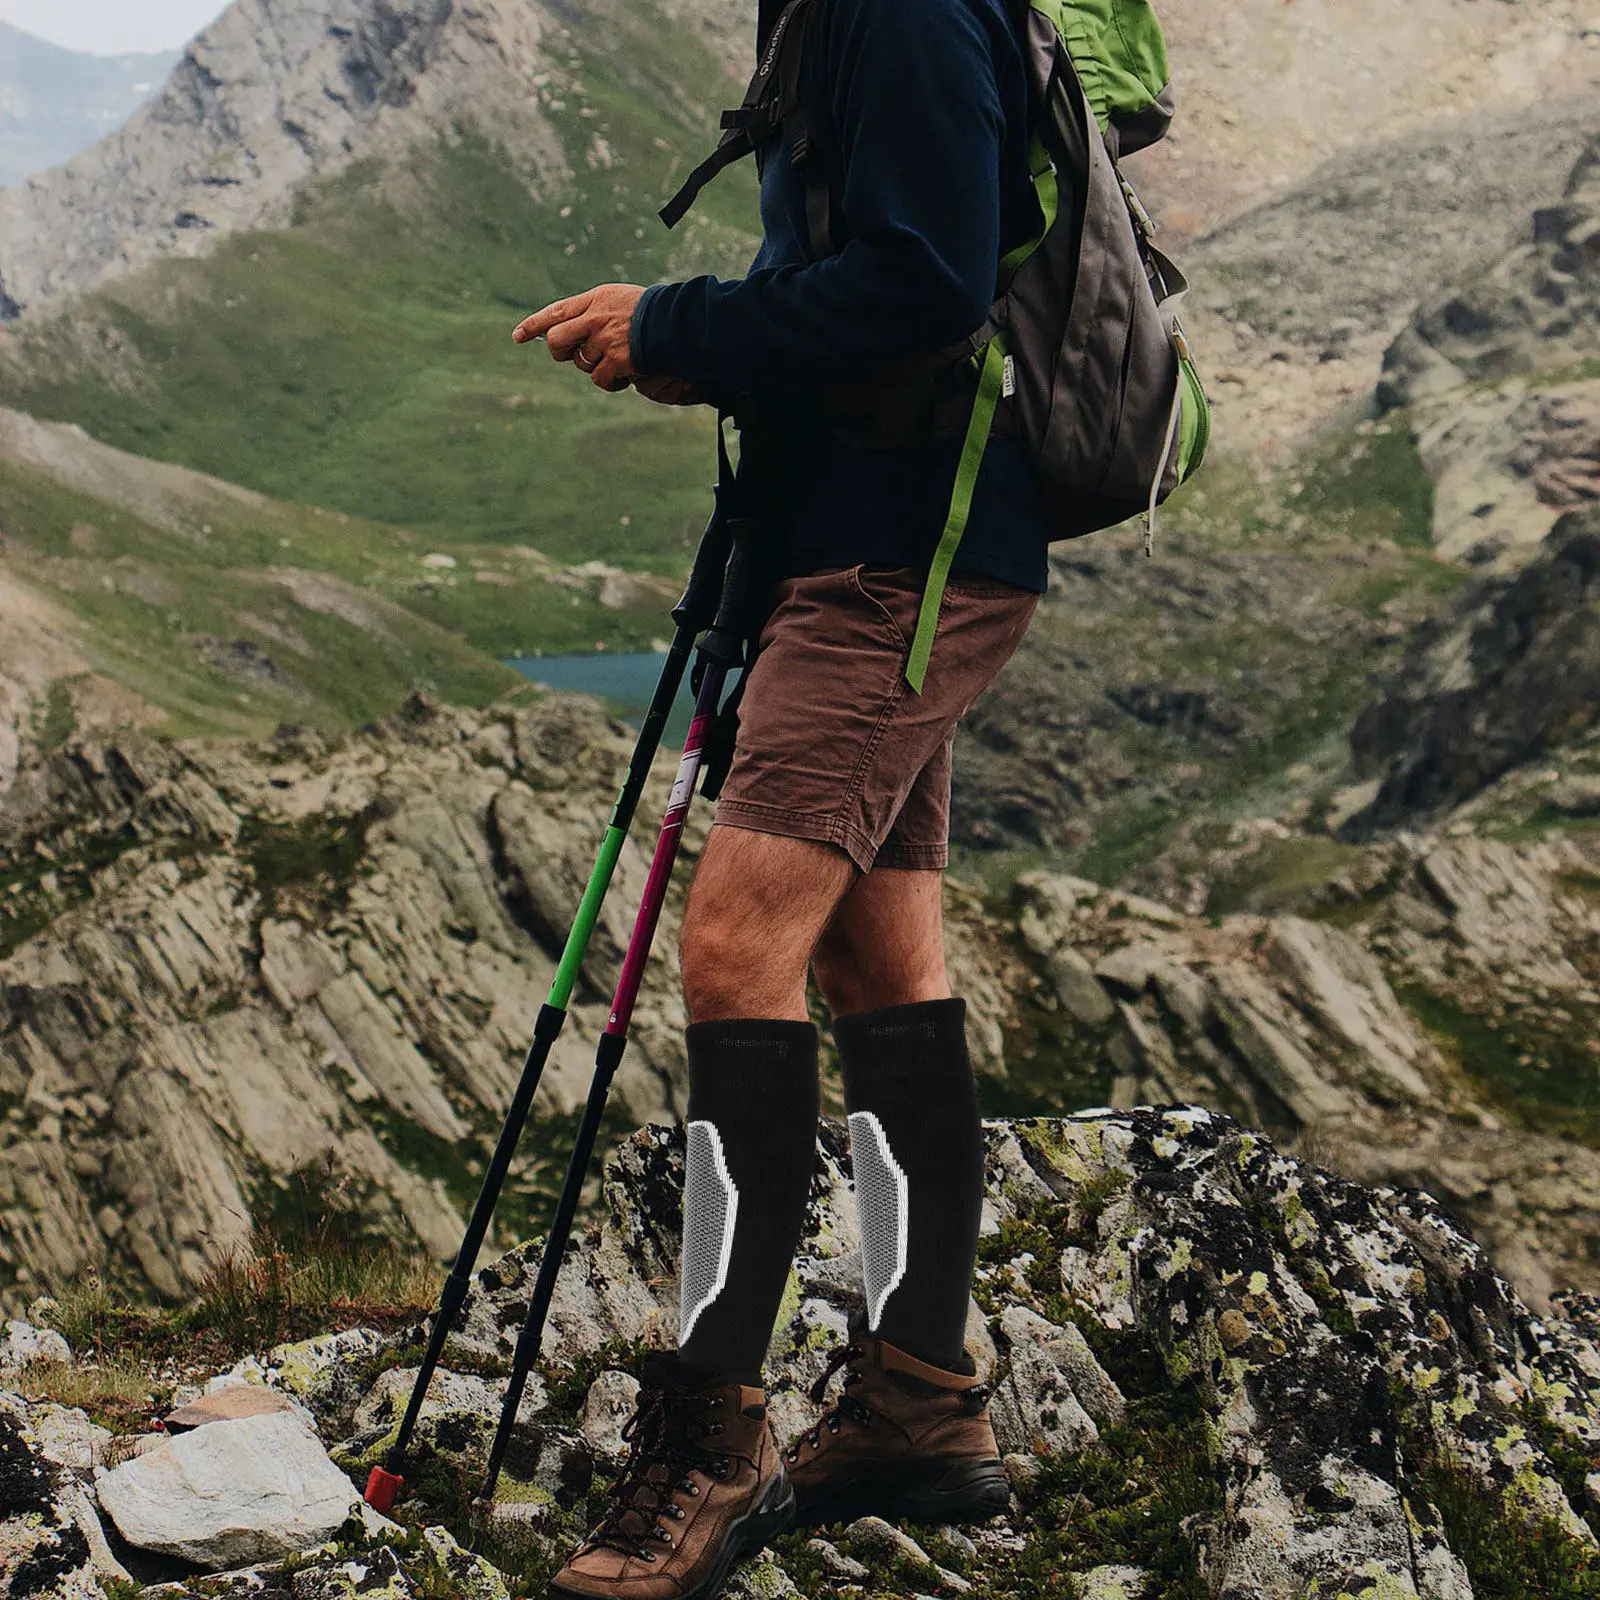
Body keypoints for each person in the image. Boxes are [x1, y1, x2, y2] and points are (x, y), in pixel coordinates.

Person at [515, 0, 1051, 1593]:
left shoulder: (894, 5)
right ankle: (918, 1402)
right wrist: (716, 349)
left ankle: (712, 1439)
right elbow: (860, 274)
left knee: (733, 949)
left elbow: (933, 275)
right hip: (866, 535)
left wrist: (678, 326)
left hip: (901, 555)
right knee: (879, 957)